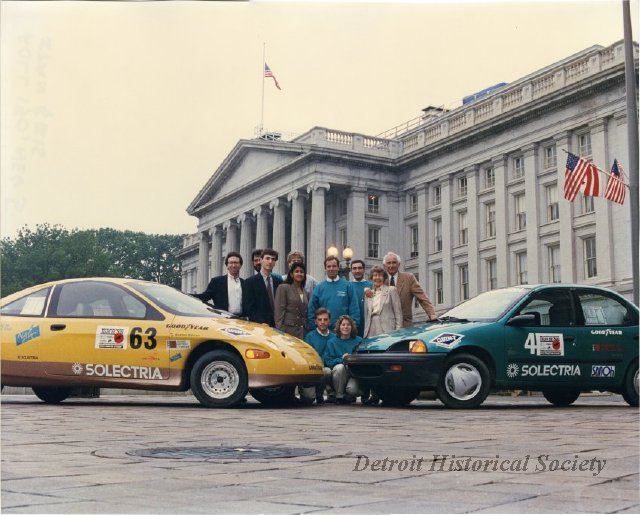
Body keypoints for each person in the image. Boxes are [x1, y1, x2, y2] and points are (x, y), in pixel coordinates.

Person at [308, 256, 361, 332]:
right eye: (328, 266)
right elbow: (311, 310)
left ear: (338, 268)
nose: (331, 269)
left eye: (334, 266)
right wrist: (314, 329)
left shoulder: (348, 286)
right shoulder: (319, 288)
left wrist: (353, 327)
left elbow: (354, 309)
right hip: (324, 332)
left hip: (344, 332)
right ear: (325, 268)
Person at [382, 251, 437, 326]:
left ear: (399, 264)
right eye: (389, 263)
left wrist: (432, 314)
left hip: (404, 324)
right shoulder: (380, 280)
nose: (391, 265)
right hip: (385, 325)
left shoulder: (409, 278)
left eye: (394, 262)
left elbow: (422, 298)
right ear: (384, 266)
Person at [324, 315, 362, 404]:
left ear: (352, 327)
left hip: (353, 373)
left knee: (353, 390)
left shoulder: (359, 341)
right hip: (338, 374)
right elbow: (328, 361)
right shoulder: (331, 342)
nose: (346, 327)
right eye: (343, 324)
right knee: (340, 367)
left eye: (348, 325)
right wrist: (343, 359)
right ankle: (339, 396)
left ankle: (349, 395)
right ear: (339, 327)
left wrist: (352, 359)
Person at [193, 251, 244, 316]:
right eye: (231, 263)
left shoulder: (245, 283)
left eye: (236, 263)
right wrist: (182, 295)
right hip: (223, 319)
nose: (233, 265)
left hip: (242, 320)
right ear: (227, 265)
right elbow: (204, 297)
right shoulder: (217, 282)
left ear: (240, 265)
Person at [301, 307, 333, 404]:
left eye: (325, 319)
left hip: (327, 369)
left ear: (329, 321)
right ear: (315, 321)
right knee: (309, 398)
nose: (322, 322)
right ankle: (308, 392)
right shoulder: (309, 337)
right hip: (313, 370)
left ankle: (325, 394)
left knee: (327, 371)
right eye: (320, 320)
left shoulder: (334, 337)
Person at [242, 248, 282, 326]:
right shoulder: (250, 282)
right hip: (260, 326)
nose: (270, 261)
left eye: (273, 259)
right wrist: (260, 322)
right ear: (261, 260)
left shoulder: (279, 282)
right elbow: (248, 307)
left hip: (278, 326)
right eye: (267, 258)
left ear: (275, 263)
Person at [363, 265, 403, 337]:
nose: (377, 278)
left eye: (380, 275)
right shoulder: (368, 294)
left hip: (387, 328)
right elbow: (366, 316)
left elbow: (398, 313)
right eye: (375, 275)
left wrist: (398, 331)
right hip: (371, 328)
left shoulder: (391, 290)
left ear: (384, 278)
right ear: (371, 278)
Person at [274, 262, 309, 339]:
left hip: (303, 332)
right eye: (297, 271)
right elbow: (279, 312)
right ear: (291, 274)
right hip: (288, 331)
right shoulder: (283, 288)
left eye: (302, 272)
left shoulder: (305, 291)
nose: (299, 274)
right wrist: (280, 331)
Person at [349, 259, 372, 337]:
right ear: (351, 270)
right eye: (354, 268)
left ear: (364, 269)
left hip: (368, 325)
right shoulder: (347, 286)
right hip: (352, 326)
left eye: (359, 268)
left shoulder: (371, 285)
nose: (357, 271)